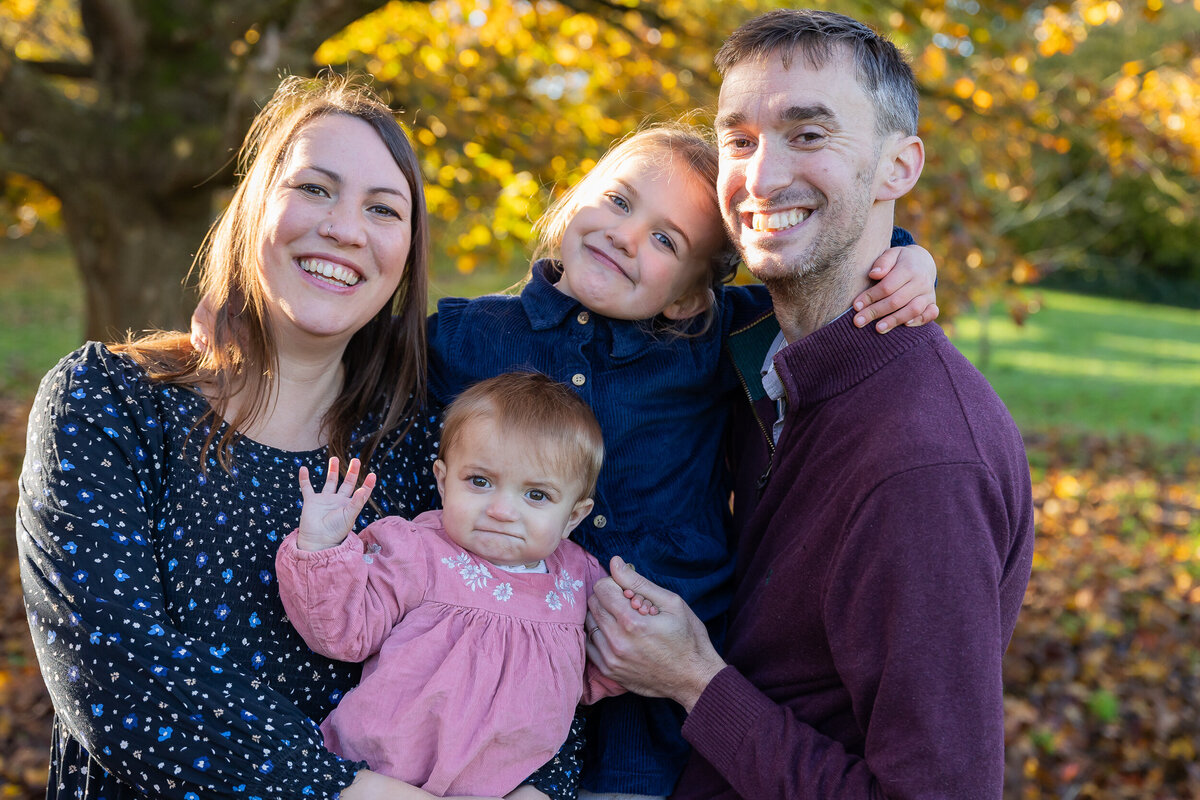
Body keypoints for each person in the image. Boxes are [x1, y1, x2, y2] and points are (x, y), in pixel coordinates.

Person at [16, 74, 574, 800]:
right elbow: (117, 677)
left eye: (383, 208)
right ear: (255, 210)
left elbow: (528, 623)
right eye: (314, 188)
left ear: (406, 255)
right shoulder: (111, 405)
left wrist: (543, 786)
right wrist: (344, 791)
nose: (345, 228)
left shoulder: (417, 455)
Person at [584, 10, 1036, 800]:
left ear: (900, 166)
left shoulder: (924, 468)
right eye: (740, 139)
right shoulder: (756, 350)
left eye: (809, 134)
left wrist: (697, 683)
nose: (760, 179)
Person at [425, 123, 939, 799]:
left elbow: (832, 290)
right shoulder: (467, 336)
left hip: (653, 675)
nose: (625, 234)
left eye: (666, 240)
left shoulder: (705, 338)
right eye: (616, 201)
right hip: (500, 654)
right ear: (574, 197)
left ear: (688, 295)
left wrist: (907, 258)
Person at [276, 372, 628, 797]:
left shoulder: (579, 584)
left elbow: (589, 677)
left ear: (574, 515)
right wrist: (320, 547)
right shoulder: (419, 552)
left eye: (536, 495)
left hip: (497, 788)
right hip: (378, 777)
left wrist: (631, 629)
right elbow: (343, 633)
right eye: (480, 481)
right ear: (444, 481)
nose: (501, 510)